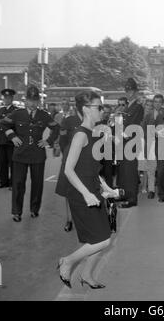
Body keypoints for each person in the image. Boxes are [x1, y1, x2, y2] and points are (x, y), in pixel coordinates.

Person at [58, 91, 111, 289]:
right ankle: (68, 261)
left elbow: (90, 167)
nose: (102, 111)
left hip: (94, 190)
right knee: (102, 241)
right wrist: (86, 194)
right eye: (99, 107)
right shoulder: (81, 134)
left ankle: (87, 275)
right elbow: (68, 170)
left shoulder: (93, 132)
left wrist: (106, 187)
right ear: (86, 109)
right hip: (82, 194)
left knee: (102, 235)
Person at [1, 85, 60, 222]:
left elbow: (56, 128)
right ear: (26, 101)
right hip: (20, 154)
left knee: (37, 184)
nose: (33, 103)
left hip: (37, 155)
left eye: (35, 100)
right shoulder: (17, 114)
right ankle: (16, 212)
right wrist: (12, 137)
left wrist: (48, 141)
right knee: (18, 183)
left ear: (38, 101)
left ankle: (34, 209)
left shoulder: (44, 115)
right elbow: (4, 124)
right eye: (30, 100)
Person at [117, 78, 144, 208]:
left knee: (131, 171)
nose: (129, 93)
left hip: (131, 141)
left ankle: (132, 198)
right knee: (123, 170)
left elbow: (131, 123)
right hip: (124, 141)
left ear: (135, 91)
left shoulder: (137, 107)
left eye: (131, 90)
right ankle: (125, 194)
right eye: (127, 90)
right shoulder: (127, 106)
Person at [55, 107, 83, 232]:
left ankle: (83, 219)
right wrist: (67, 155)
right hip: (71, 159)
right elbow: (63, 140)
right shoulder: (68, 121)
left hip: (86, 160)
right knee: (68, 189)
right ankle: (69, 219)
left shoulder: (94, 121)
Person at [0, 89, 18, 189]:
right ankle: (3, 182)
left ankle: (13, 183)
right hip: (0, 139)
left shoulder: (15, 110)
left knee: (12, 163)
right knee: (2, 162)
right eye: (5, 98)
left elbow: (12, 123)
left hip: (10, 140)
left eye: (8, 98)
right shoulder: (1, 110)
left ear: (12, 98)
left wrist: (0, 122)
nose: (6, 100)